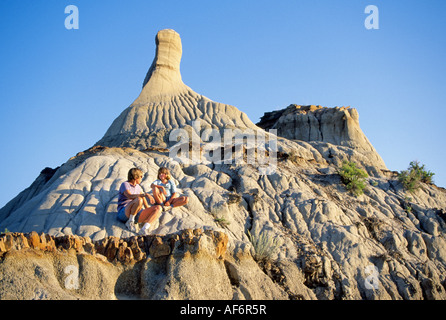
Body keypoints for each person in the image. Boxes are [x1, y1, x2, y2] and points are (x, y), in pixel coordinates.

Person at [117, 168, 162, 235]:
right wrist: (145, 194)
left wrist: (148, 210)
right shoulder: (125, 184)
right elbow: (130, 196)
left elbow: (143, 198)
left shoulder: (138, 187)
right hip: (124, 212)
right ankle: (130, 222)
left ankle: (144, 229)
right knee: (139, 199)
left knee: (158, 208)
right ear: (136, 177)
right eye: (141, 176)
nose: (142, 178)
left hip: (137, 213)